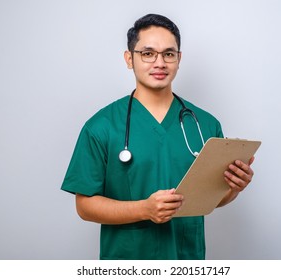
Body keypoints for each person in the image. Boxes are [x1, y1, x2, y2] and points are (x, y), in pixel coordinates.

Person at [61, 14, 255, 260]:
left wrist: (234, 188)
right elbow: (84, 206)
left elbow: (210, 199)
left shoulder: (206, 125)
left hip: (187, 261)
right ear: (129, 59)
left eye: (169, 54)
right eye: (148, 53)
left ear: (179, 59)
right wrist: (144, 209)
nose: (160, 62)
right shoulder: (101, 127)